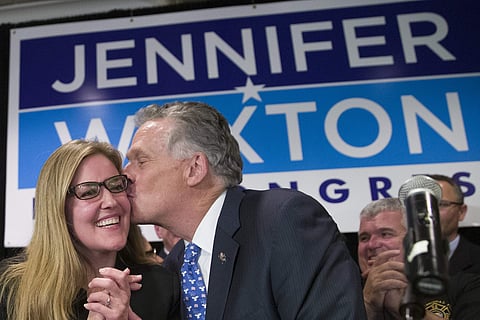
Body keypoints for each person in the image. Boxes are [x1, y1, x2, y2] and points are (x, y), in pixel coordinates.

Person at [124, 101, 367, 319]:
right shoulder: (175, 265)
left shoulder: (283, 221)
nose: (125, 175)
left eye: (140, 161)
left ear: (194, 168)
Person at [0, 140, 180, 320]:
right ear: (58, 209)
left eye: (116, 186)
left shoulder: (163, 287)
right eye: (88, 192)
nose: (111, 202)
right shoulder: (12, 290)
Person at [358, 197, 480, 319]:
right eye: (364, 238)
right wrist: (366, 305)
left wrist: (406, 309)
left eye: (385, 234)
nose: (372, 245)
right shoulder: (344, 294)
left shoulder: (466, 286)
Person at [426, 174, 480, 275]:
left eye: (441, 204)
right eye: (423, 204)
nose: (430, 212)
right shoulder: (396, 258)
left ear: (461, 212)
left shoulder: (477, 259)